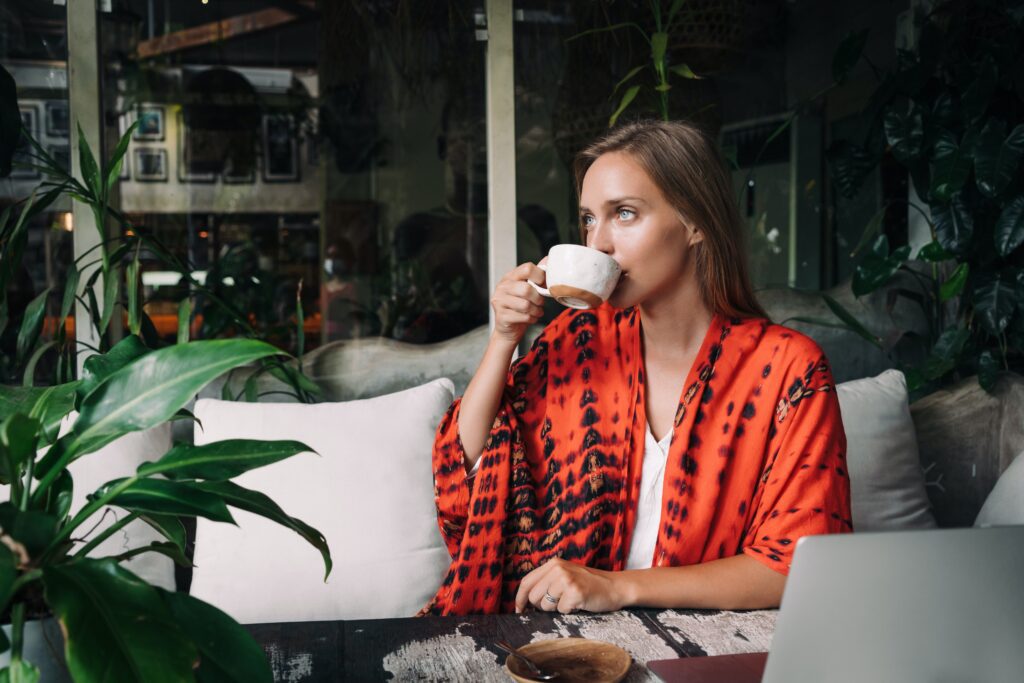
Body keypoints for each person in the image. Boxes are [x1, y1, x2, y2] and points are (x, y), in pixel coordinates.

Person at [422, 120, 851, 616]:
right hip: (567, 644)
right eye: (588, 219)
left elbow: (797, 564)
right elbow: (466, 475)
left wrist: (619, 587)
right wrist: (503, 340)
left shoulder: (786, 371)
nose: (597, 243)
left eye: (624, 214)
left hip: (711, 647)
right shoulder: (578, 345)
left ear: (695, 223)